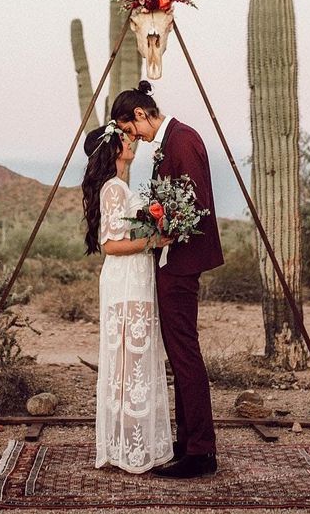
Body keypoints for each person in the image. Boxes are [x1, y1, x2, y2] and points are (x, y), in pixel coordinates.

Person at [111, 80, 224, 479]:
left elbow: (195, 207)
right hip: (170, 261)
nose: (132, 137)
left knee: (185, 355)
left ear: (140, 115)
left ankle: (201, 452)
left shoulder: (182, 140)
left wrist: (165, 231)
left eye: (129, 130)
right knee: (179, 354)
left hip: (180, 263)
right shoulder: (170, 140)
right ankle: (186, 440)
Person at [81, 121, 174, 474]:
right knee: (129, 359)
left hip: (135, 277)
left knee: (134, 358)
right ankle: (128, 448)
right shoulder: (113, 190)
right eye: (125, 137)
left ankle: (134, 443)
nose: (131, 139)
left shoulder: (119, 186)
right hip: (125, 281)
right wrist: (157, 241)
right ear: (113, 149)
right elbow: (110, 245)